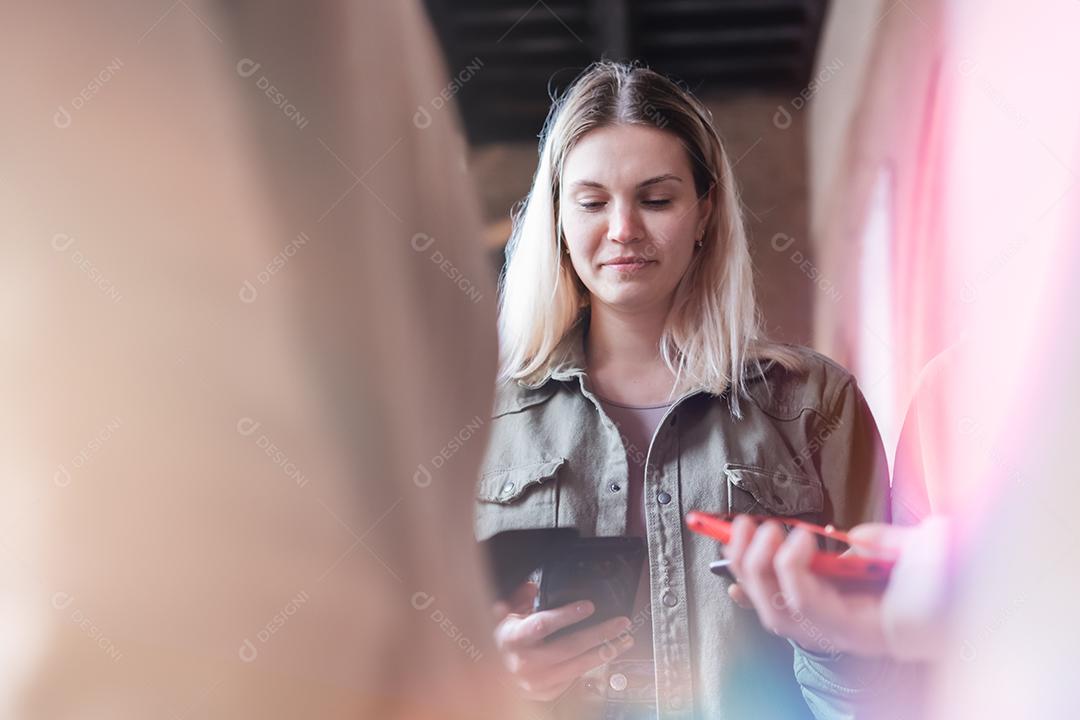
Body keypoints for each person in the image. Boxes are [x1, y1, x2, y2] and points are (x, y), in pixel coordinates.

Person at [476, 61, 896, 719]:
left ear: (704, 213)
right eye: (591, 202)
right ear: (557, 218)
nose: (622, 230)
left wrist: (827, 639)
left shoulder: (816, 404)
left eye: (656, 198)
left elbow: (891, 691)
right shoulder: (479, 419)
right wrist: (496, 675)